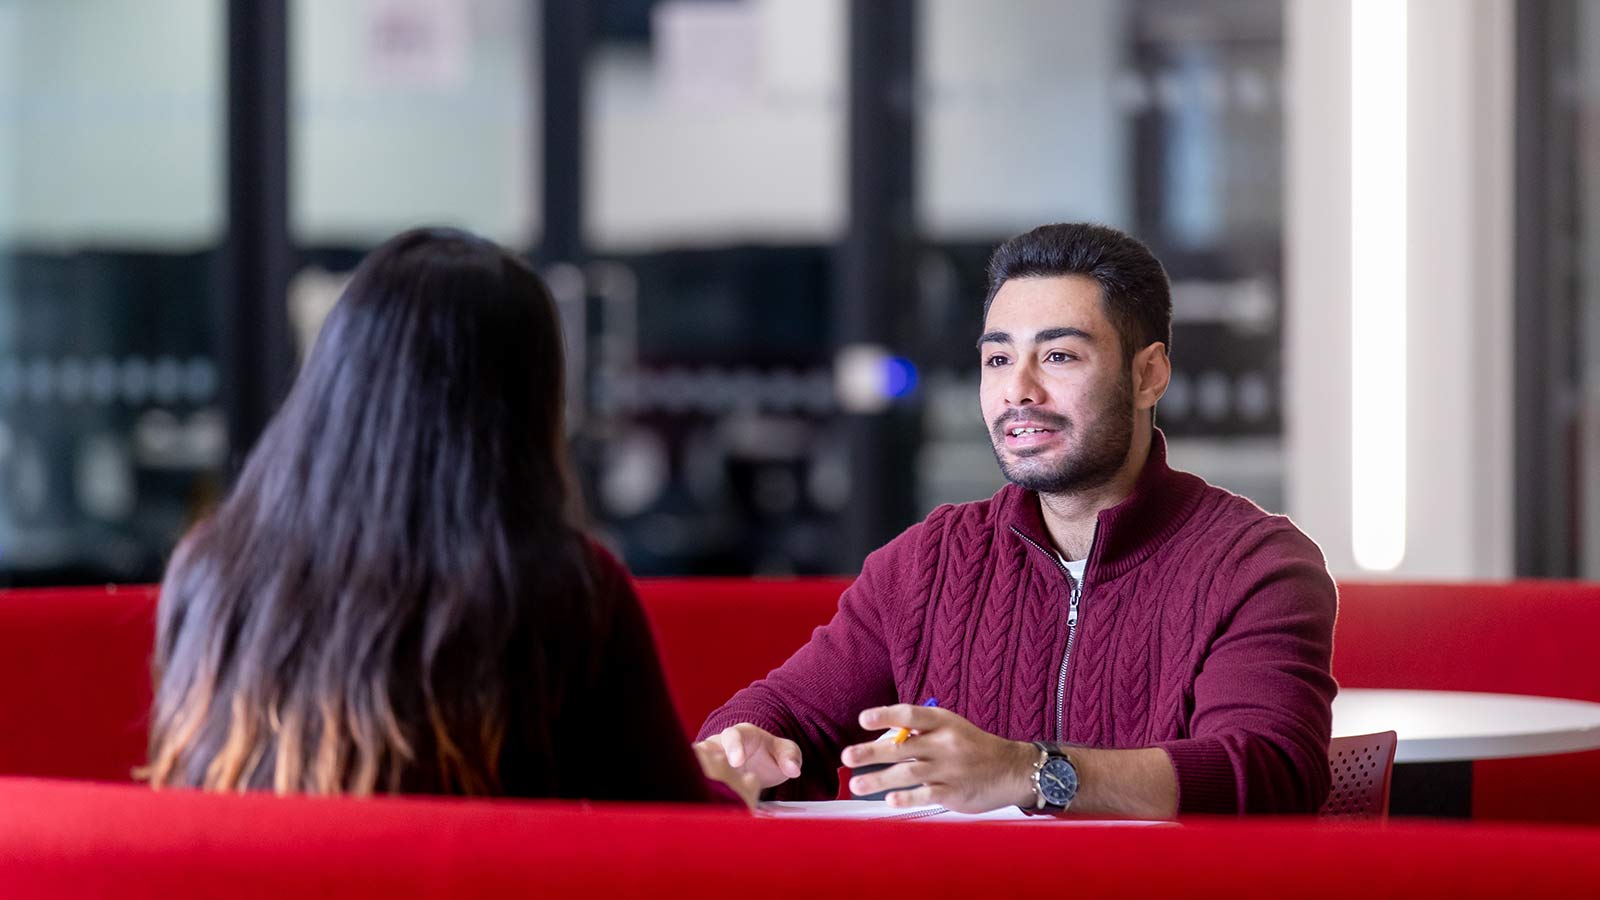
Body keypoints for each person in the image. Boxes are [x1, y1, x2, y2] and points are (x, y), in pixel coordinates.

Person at [696, 223, 1337, 817]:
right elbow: (790, 715)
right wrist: (743, 748)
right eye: (998, 359)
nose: (1019, 390)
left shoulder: (1257, 565)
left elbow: (1267, 769)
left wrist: (1031, 772)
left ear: (1149, 375)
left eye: (1058, 356)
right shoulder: (928, 561)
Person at [144, 227, 755, 805]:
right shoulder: (567, 592)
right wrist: (734, 789)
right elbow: (672, 830)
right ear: (525, 410)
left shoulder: (210, 571)